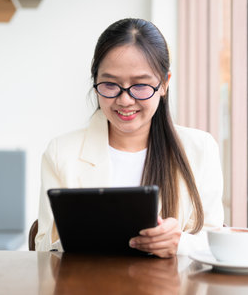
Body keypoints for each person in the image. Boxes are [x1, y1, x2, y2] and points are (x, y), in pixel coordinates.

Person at [35, 18, 223, 258]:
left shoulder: (200, 149)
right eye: (111, 84)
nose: (125, 100)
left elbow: (215, 243)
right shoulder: (61, 152)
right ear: (95, 83)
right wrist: (77, 237)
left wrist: (179, 243)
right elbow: (42, 251)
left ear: (164, 84)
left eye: (140, 85)